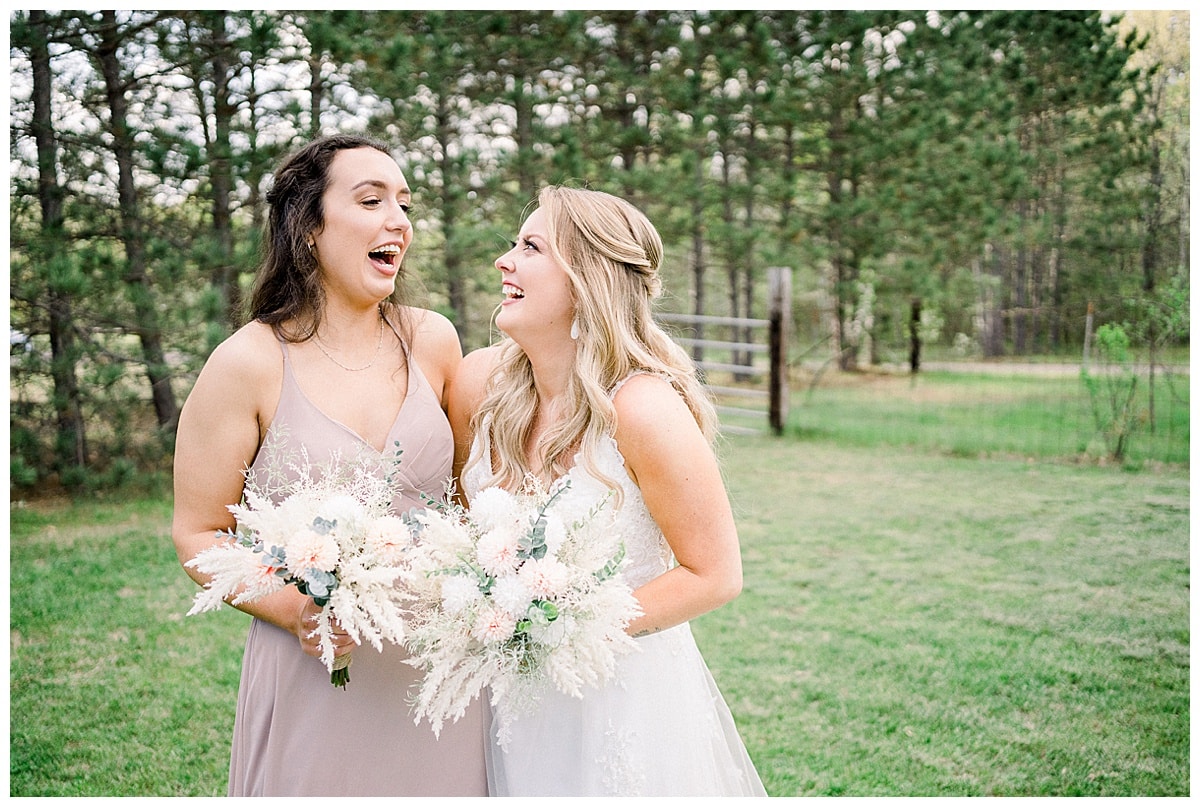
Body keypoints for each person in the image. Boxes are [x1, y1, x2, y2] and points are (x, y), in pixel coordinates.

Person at [171, 134, 487, 796]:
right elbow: (198, 532)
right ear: (308, 228)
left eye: (403, 203)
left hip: (439, 673)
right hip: (316, 673)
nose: (397, 220)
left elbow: (469, 502)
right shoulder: (246, 363)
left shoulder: (433, 340)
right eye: (371, 200)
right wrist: (292, 608)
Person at [447, 185, 767, 796]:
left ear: (586, 278)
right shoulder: (479, 386)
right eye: (514, 244)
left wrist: (560, 624)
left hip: (623, 701)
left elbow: (714, 574)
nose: (504, 261)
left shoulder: (644, 409)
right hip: (509, 698)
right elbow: (465, 538)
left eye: (531, 247)